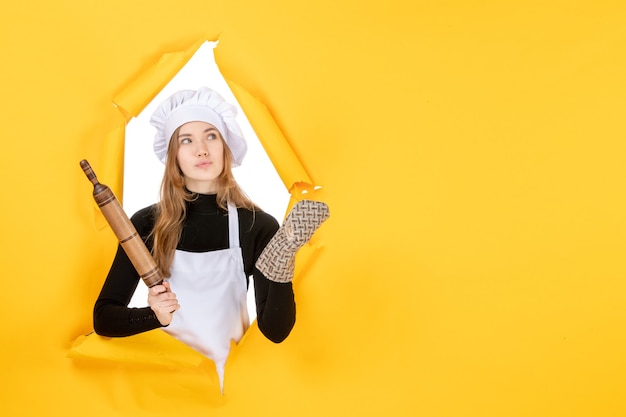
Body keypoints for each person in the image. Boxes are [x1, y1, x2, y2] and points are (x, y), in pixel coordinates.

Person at [93, 87, 327, 388]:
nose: (201, 149)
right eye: (186, 140)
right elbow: (103, 319)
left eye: (211, 136)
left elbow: (275, 331)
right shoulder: (146, 223)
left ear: (225, 147)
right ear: (173, 155)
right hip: (168, 387)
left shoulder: (257, 225)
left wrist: (281, 266)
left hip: (235, 388)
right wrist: (155, 316)